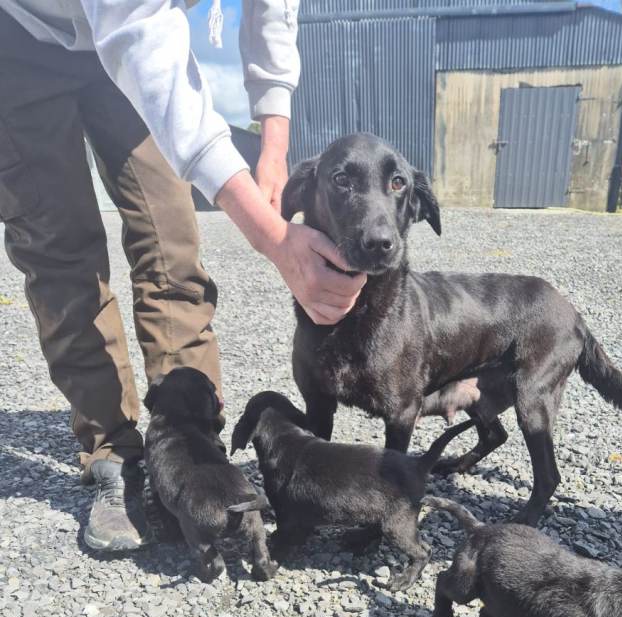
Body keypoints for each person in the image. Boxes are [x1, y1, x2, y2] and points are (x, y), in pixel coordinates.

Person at [0, 0, 365, 552]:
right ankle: (111, 451)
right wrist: (272, 240)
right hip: (20, 44)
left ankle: (190, 440)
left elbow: (274, 13)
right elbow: (141, 39)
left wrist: (274, 145)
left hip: (123, 31)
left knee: (169, 235)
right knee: (59, 250)